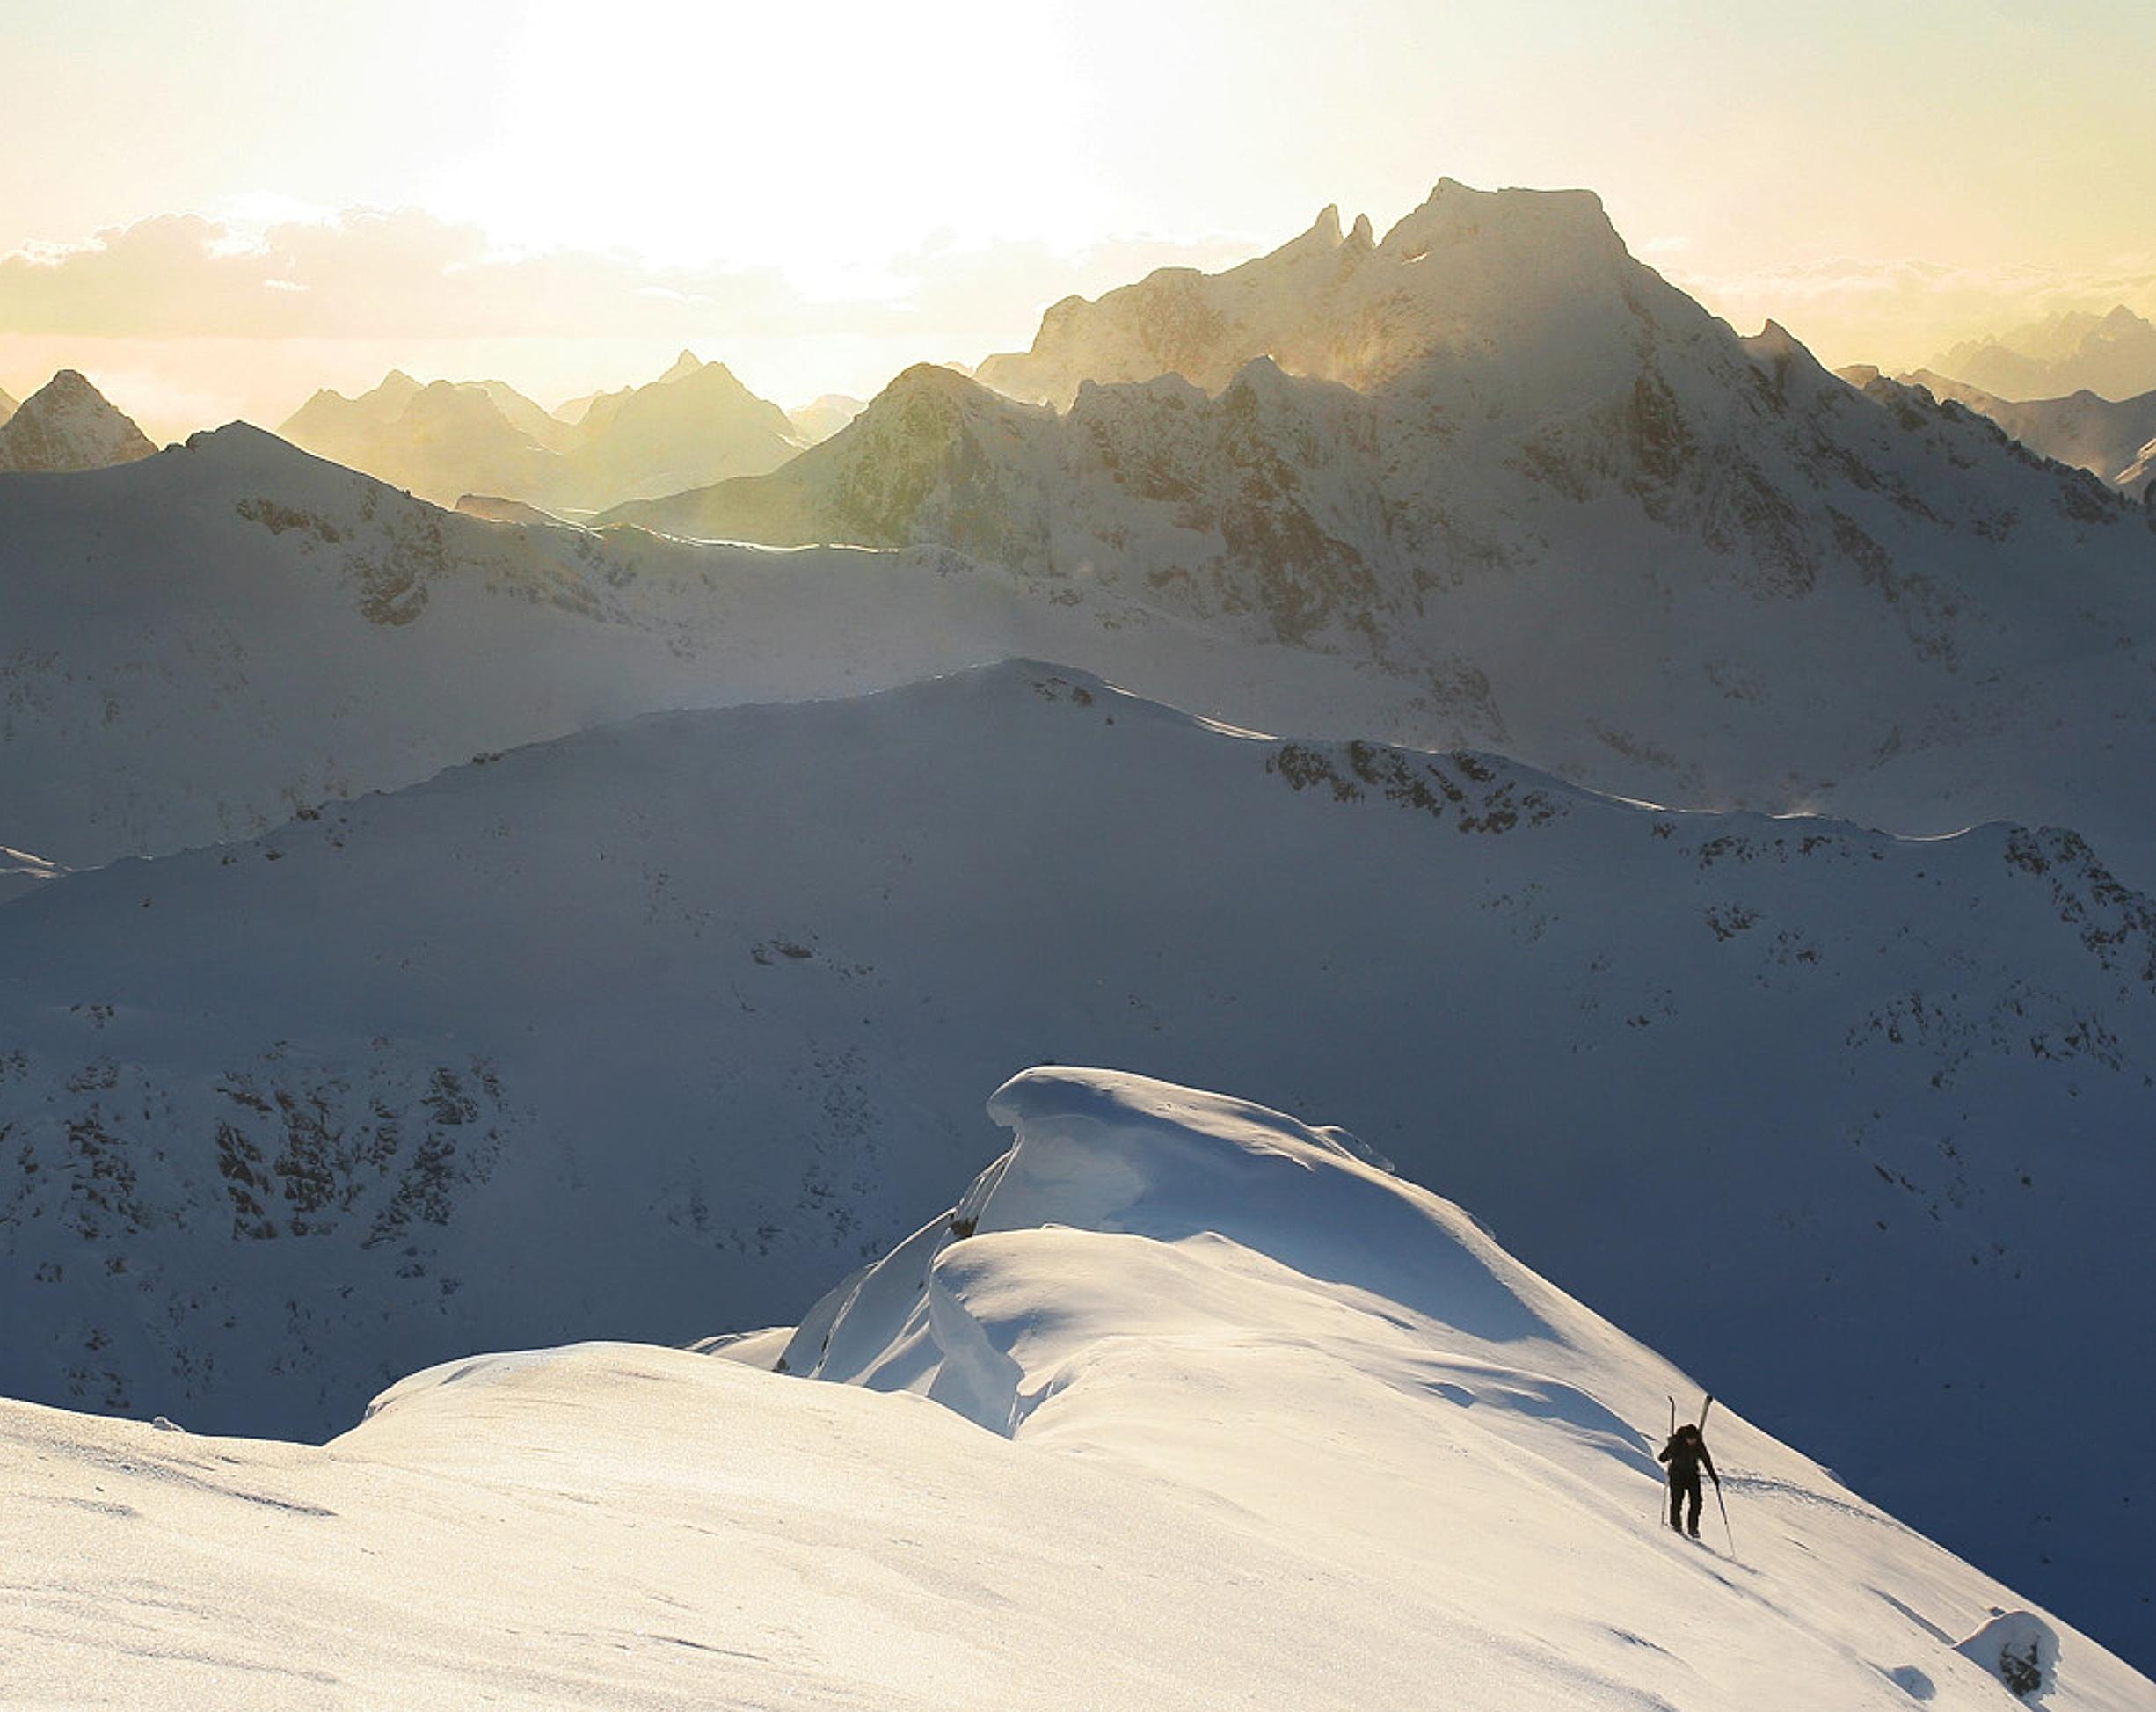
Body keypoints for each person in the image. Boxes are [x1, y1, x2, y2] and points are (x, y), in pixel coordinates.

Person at [1657, 1420, 1719, 1538]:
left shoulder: (1699, 1444)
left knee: (1696, 1502)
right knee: (1677, 1500)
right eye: (1690, 1439)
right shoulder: (1677, 1443)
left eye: (1694, 1439)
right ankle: (1676, 1524)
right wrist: (1670, 1451)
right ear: (1685, 1437)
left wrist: (1714, 1477)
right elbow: (1662, 1458)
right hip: (1677, 1474)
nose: (1692, 1442)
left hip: (1692, 1475)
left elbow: (1706, 1460)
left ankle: (1693, 1528)